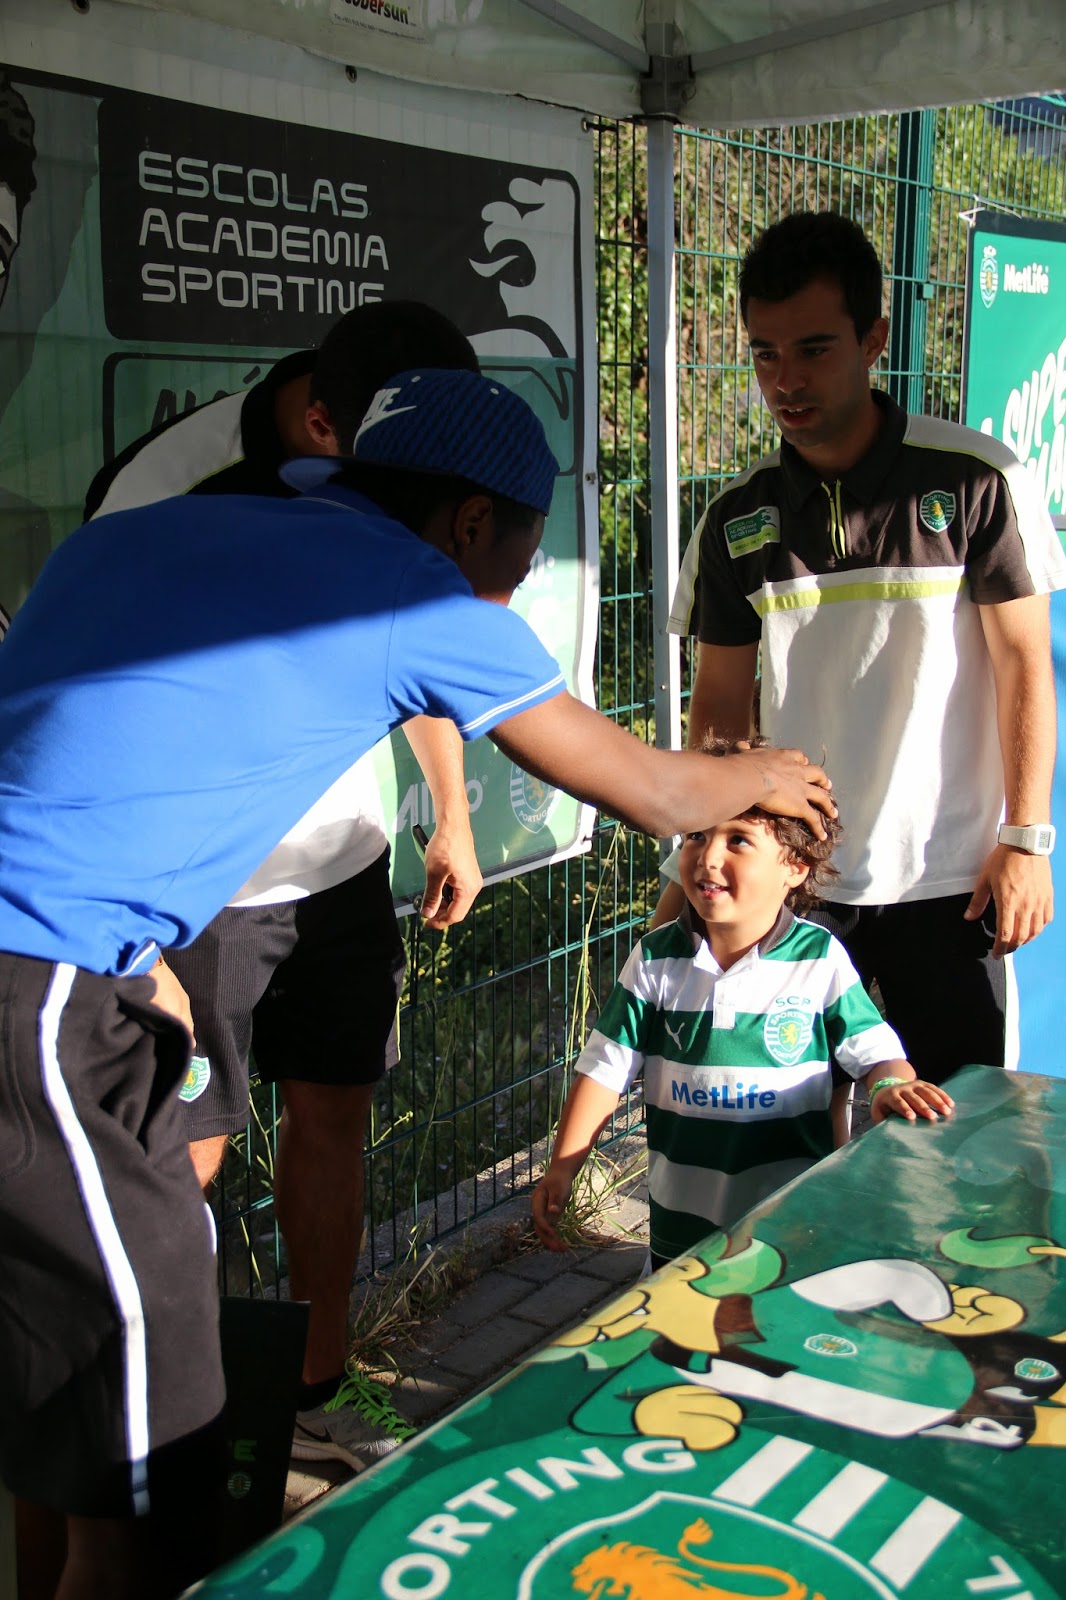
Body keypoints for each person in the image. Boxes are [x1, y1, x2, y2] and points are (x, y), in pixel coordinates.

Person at [0, 365, 834, 1598]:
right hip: (38, 996)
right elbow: (655, 792)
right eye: (516, 566)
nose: (504, 595)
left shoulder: (147, 535)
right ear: (469, 521)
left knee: (66, 1394)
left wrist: (134, 958)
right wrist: (767, 772)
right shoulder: (411, 588)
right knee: (158, 1441)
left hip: (81, 972)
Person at [85, 301, 486, 1471]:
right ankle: (173, 1423)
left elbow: (415, 628)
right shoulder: (164, 486)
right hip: (199, 888)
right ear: (323, 421)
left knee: (332, 1118)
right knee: (180, 1151)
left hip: (341, 868)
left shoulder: (383, 464)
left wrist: (451, 814)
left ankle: (318, 1388)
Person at [661, 210, 1066, 1084]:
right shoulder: (735, 518)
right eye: (765, 354)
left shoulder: (978, 479)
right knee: (796, 1136)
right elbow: (720, 710)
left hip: (951, 882)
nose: (786, 381)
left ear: (874, 339)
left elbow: (1025, 665)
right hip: (793, 881)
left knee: (959, 1137)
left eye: (814, 350)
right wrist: (700, 855)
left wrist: (1028, 839)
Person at [533, 737, 953, 1270]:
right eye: (697, 834)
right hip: (679, 1235)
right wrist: (563, 1167)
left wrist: (892, 1085)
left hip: (790, 1229)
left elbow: (874, 1053)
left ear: (795, 866)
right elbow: (602, 1071)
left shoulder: (818, 958)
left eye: (738, 840)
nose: (709, 857)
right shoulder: (655, 960)